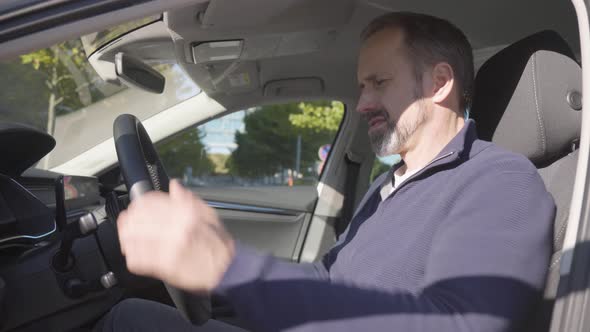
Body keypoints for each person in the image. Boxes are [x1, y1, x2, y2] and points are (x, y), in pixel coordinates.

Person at [97, 12, 555, 332]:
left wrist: (231, 267)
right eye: (361, 86)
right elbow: (328, 278)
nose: (363, 103)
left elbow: (459, 324)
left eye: (379, 83)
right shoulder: (387, 185)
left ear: (439, 83)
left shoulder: (499, 181)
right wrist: (215, 257)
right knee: (135, 315)